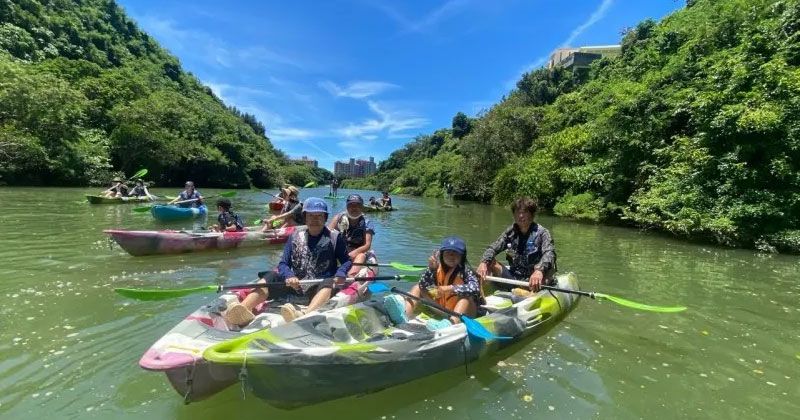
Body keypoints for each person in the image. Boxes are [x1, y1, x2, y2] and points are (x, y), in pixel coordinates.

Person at [224, 197, 352, 326]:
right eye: (311, 215)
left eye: (319, 216)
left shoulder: (335, 237)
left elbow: (346, 261)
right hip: (295, 285)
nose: (315, 219)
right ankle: (243, 309)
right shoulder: (295, 236)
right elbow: (283, 264)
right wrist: (289, 276)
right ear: (305, 217)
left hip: (318, 287)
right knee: (271, 276)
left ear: (325, 218)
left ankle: (305, 314)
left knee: (329, 281)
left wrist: (341, 272)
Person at [383, 236, 481, 331]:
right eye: (448, 253)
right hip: (443, 309)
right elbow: (423, 284)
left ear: (462, 256)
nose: (451, 256)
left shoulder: (466, 272)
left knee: (465, 299)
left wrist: (450, 288)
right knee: (418, 287)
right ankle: (405, 315)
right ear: (442, 255)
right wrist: (430, 270)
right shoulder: (437, 269)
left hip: (464, 314)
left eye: (455, 253)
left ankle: (450, 324)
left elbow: (475, 288)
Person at [476, 197, 556, 293]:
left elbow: (549, 253)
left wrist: (539, 270)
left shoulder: (543, 233)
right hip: (514, 277)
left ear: (532, 214)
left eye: (525, 212)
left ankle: (531, 292)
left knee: (544, 274)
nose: (521, 216)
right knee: (490, 262)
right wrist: (484, 262)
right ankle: (482, 292)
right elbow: (493, 247)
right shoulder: (510, 232)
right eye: (517, 212)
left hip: (534, 278)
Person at [327, 193, 376, 273]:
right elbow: (327, 235)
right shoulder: (338, 218)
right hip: (340, 251)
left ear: (362, 207)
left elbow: (367, 245)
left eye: (357, 205)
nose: (354, 208)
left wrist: (353, 253)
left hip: (357, 252)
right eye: (351, 205)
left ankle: (351, 276)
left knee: (361, 256)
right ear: (347, 207)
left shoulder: (367, 222)